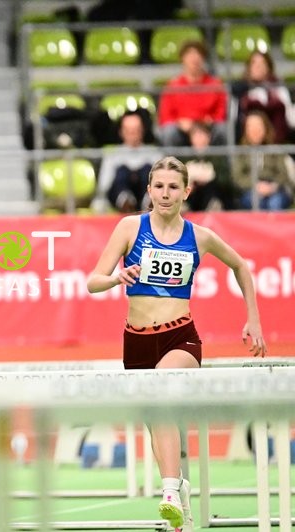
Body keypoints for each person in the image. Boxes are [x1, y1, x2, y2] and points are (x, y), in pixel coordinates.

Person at [86, 156, 266, 532]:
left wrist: (253, 318)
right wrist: (118, 277)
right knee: (158, 422)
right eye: (158, 187)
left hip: (180, 337)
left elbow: (241, 266)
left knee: (162, 392)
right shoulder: (129, 227)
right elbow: (92, 281)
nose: (165, 194)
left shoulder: (199, 236)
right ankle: (179, 487)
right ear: (149, 189)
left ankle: (168, 493)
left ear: (186, 191)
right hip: (136, 342)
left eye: (173, 187)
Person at [157, 41, 227, 147]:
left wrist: (205, 124)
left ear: (203, 58)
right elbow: (165, 117)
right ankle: (172, 164)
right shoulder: (172, 85)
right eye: (189, 55)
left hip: (208, 129)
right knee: (169, 132)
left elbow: (221, 114)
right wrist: (180, 123)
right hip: (182, 131)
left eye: (198, 54)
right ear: (182, 59)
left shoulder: (215, 84)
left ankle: (220, 163)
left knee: (222, 129)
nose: (194, 59)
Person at [94, 112, 164, 213]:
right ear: (121, 132)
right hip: (119, 198)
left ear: (142, 130)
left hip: (147, 193)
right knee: (122, 172)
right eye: (128, 130)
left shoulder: (155, 154)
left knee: (148, 172)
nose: (132, 133)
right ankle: (125, 202)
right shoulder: (112, 155)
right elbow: (104, 186)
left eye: (135, 129)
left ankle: (149, 202)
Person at [231, 110, 295, 211]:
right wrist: (256, 185)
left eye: (258, 125)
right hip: (250, 189)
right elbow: (238, 177)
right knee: (254, 201)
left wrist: (272, 187)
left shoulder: (275, 150)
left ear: (265, 128)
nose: (255, 130)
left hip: (275, 189)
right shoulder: (241, 152)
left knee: (275, 203)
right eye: (250, 126)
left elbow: (283, 174)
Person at [231, 49, 295, 144]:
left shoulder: (278, 88)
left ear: (269, 67)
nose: (258, 66)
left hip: (276, 137)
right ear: (248, 67)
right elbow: (233, 118)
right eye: (254, 63)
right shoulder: (239, 89)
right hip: (246, 138)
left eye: (262, 63)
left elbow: (288, 116)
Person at [180, 122, 232, 211]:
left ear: (209, 137)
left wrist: (209, 179)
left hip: (211, 192)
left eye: (202, 135)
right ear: (191, 138)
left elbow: (225, 180)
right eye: (195, 135)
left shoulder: (218, 156)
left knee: (212, 189)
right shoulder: (184, 157)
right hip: (191, 194)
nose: (199, 139)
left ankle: (213, 207)